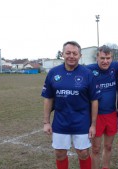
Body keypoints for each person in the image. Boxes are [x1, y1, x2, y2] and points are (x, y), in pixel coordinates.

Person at [41, 41, 100, 169]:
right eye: (68, 53)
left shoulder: (87, 74)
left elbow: (94, 100)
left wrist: (93, 125)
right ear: (62, 54)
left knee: (83, 153)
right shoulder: (53, 73)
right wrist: (46, 122)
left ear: (80, 55)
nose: (71, 56)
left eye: (75, 53)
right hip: (61, 122)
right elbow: (48, 98)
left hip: (81, 122)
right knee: (60, 154)